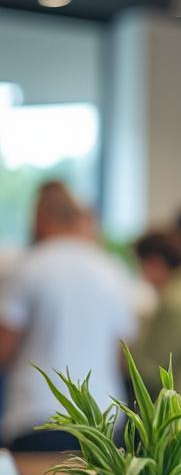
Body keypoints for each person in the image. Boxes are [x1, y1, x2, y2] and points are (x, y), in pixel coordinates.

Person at [0, 181, 136, 451]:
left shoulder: (29, 267)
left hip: (37, 412)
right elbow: (124, 353)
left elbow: (4, 347)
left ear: (42, 218)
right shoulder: (113, 270)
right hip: (104, 416)